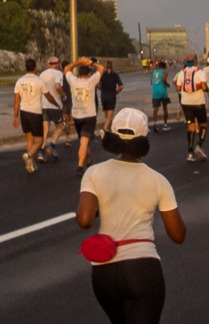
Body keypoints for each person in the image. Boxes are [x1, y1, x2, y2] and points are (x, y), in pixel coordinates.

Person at [76, 108, 186, 324]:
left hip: (104, 271)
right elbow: (177, 235)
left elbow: (85, 220)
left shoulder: (94, 173)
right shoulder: (158, 180)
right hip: (142, 269)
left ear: (113, 137)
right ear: (145, 139)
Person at [63, 57, 106, 175]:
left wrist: (78, 62)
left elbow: (66, 69)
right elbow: (101, 68)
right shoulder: (91, 81)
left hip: (77, 116)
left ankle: (88, 160)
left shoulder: (73, 81)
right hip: (89, 116)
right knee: (84, 141)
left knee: (84, 140)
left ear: (78, 74)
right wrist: (90, 62)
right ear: (88, 73)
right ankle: (80, 166)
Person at [14, 58, 58, 171]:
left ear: (25, 68)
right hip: (35, 113)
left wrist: (15, 116)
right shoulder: (39, 81)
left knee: (30, 140)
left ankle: (31, 164)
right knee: (39, 141)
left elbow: (16, 100)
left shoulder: (19, 81)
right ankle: (28, 156)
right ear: (35, 68)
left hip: (24, 113)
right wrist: (56, 104)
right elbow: (48, 96)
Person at [173, 56, 209, 161]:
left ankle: (190, 153)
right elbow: (204, 87)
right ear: (195, 61)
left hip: (185, 103)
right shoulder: (200, 72)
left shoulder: (182, 72)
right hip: (198, 103)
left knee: (191, 127)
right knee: (203, 125)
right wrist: (199, 87)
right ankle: (199, 145)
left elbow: (178, 88)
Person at [39, 57, 68, 157]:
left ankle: (41, 150)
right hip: (55, 105)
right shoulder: (58, 73)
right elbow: (57, 86)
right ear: (56, 64)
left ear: (48, 64)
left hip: (44, 105)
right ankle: (52, 145)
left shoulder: (42, 74)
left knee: (45, 129)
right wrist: (63, 95)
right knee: (60, 126)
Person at [99, 61, 125, 134]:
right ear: (112, 67)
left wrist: (102, 88)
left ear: (106, 67)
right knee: (110, 116)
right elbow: (121, 86)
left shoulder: (102, 74)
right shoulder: (115, 75)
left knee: (106, 115)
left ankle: (109, 131)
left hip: (103, 96)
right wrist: (117, 92)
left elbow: (97, 84)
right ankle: (105, 129)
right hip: (112, 96)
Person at [150, 61, 171, 132]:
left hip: (155, 93)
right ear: (164, 67)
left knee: (156, 109)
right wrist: (167, 84)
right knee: (165, 108)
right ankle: (165, 125)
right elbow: (164, 79)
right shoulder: (164, 72)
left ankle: (155, 124)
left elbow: (151, 82)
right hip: (163, 92)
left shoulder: (154, 72)